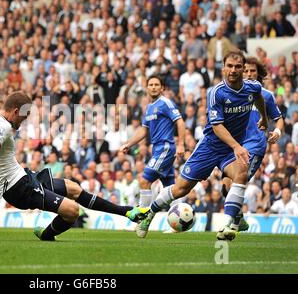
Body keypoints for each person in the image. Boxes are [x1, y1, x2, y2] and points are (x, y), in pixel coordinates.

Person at [0, 91, 149, 241]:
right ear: (14, 111)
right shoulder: (2, 128)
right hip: (18, 189)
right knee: (72, 211)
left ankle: (127, 212)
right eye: (25, 115)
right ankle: (46, 234)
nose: (25, 119)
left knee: (73, 187)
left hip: (24, 177)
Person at [137, 51, 268, 241]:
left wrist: (264, 117)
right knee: (181, 188)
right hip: (209, 147)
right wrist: (237, 147)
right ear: (223, 68)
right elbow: (216, 126)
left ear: (243, 69)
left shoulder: (252, 87)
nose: (233, 70)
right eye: (229, 66)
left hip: (229, 150)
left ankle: (229, 225)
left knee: (242, 171)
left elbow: (259, 98)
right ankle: (149, 214)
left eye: (238, 67)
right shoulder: (216, 93)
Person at [221, 57, 284, 232]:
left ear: (259, 74)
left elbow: (279, 120)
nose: (249, 74)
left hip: (255, 145)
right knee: (225, 187)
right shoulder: (233, 93)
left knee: (236, 182)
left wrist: (276, 132)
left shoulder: (266, 95)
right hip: (236, 145)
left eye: (253, 71)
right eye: (246, 70)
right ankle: (239, 219)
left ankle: (229, 227)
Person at [119, 74, 185, 238]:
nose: (154, 87)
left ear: (162, 88)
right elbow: (143, 130)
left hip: (165, 148)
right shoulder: (149, 107)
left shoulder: (166, 103)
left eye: (157, 84)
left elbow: (180, 121)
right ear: (147, 88)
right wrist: (129, 143)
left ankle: (141, 219)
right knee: (171, 186)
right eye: (151, 84)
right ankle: (178, 223)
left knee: (144, 180)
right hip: (157, 149)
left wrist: (182, 144)